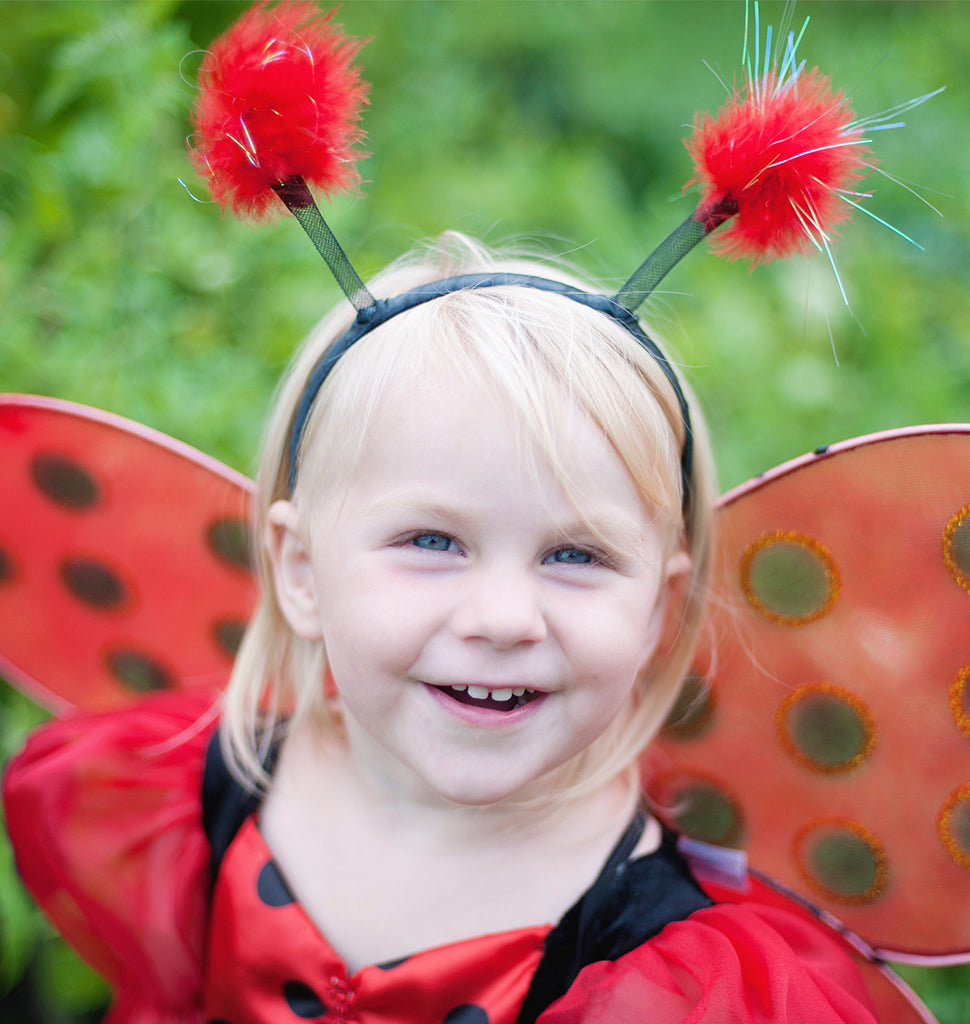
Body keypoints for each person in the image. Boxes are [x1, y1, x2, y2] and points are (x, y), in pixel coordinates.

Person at [4, 233, 879, 1023]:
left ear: (658, 607)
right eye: (432, 540)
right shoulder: (205, 792)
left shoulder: (673, 977)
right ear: (300, 571)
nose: (502, 619)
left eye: (575, 556)